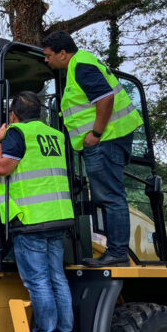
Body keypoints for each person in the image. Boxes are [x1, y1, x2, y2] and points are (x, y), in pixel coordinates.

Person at [42, 31, 143, 266]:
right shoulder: (80, 64)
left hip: (107, 139)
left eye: (48, 56)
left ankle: (117, 253)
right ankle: (115, 251)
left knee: (110, 196)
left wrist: (96, 134)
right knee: (107, 195)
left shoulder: (81, 66)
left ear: (63, 54)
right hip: (110, 139)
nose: (46, 60)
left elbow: (105, 99)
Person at [0, 91, 75, 332]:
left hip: (32, 219)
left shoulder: (17, 133)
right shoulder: (56, 136)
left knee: (38, 281)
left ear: (14, 115)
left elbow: (4, 167)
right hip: (58, 216)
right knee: (57, 279)